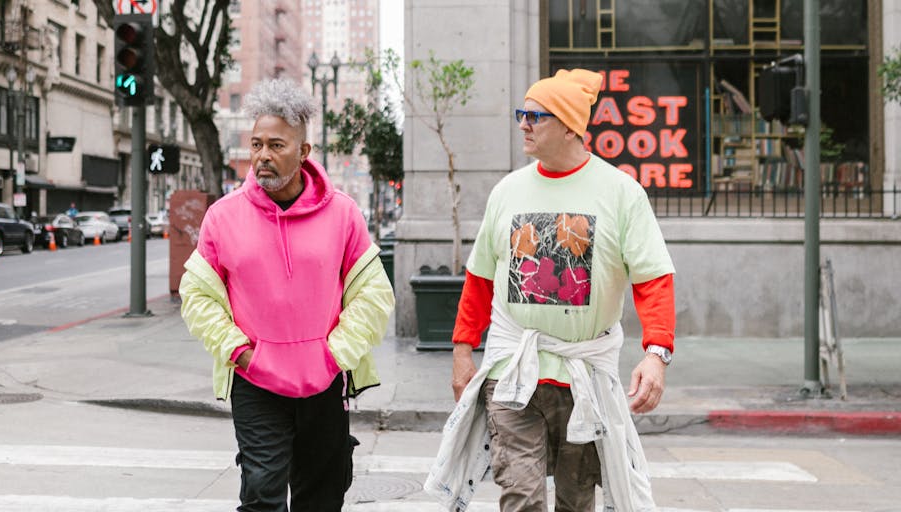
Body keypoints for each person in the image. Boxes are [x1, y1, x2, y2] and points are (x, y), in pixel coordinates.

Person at [425, 69, 676, 511]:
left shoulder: (621, 193)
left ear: (568, 125)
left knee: (576, 502)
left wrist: (656, 355)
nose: (523, 123)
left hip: (583, 381)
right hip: (512, 374)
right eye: (521, 113)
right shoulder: (507, 192)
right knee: (521, 497)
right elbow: (480, 279)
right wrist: (463, 351)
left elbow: (653, 280)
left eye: (534, 115)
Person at [178, 79, 395, 512]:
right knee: (261, 494)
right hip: (255, 381)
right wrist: (237, 351)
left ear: (303, 152)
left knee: (322, 496)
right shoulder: (223, 217)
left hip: (324, 382)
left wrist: (334, 355)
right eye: (256, 144)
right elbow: (196, 295)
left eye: (276, 145)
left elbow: (374, 294)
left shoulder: (343, 214)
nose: (263, 155)